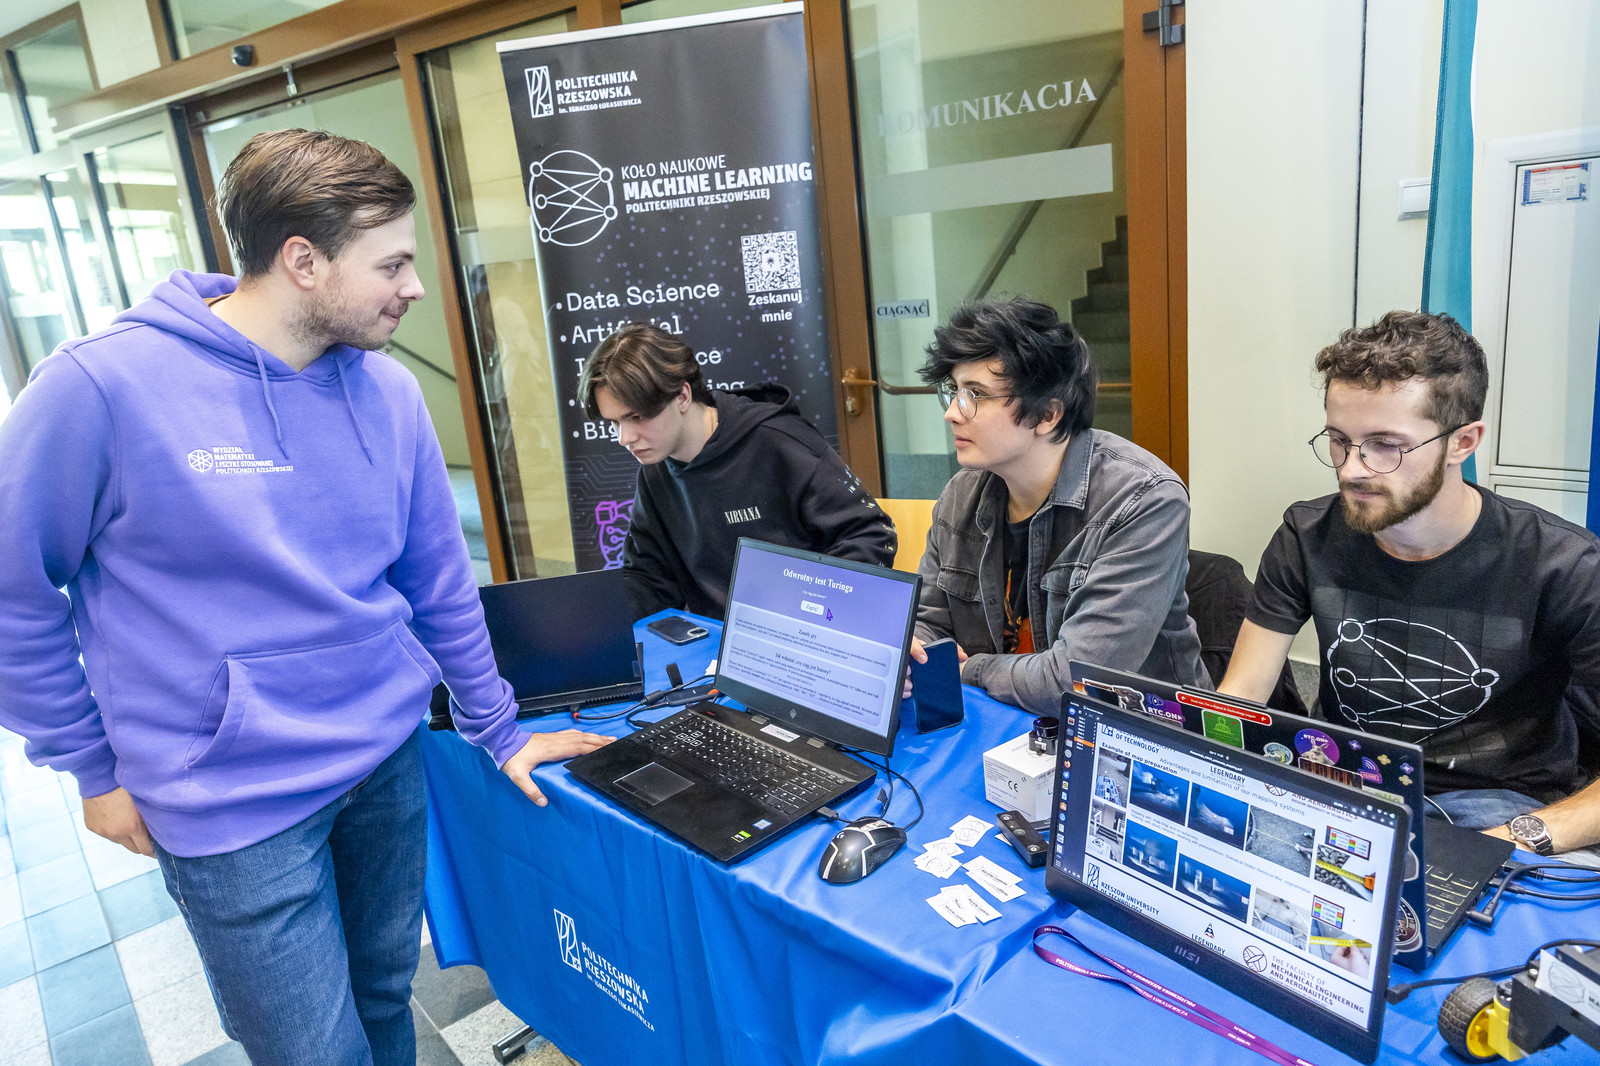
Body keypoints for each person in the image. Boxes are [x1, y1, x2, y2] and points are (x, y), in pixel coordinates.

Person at [0, 129, 610, 1066]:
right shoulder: (99, 389)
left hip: (384, 762)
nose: (414, 287)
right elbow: (12, 592)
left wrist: (499, 728)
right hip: (230, 802)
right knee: (311, 1050)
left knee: (383, 999)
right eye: (392, 265)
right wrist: (93, 768)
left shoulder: (390, 394)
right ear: (303, 261)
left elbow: (438, 585)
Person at [1219, 310, 1600, 858]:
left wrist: (1503, 846)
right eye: (1339, 440)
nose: (1351, 469)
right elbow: (1240, 697)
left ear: (1462, 442)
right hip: (1344, 782)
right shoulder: (1307, 535)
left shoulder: (1562, 564)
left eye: (1385, 445)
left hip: (1498, 804)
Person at [909, 296, 1207, 714]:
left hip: (1134, 735)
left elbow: (1077, 679)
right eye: (954, 392)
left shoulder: (1143, 499)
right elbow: (927, 625)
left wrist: (969, 669)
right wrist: (909, 652)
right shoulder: (961, 495)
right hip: (1004, 721)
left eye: (975, 394)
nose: (953, 414)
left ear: (1047, 415)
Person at [577, 322, 896, 618]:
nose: (624, 438)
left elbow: (870, 535)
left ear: (682, 396)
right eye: (614, 423)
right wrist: (593, 618)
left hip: (802, 633)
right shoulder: (655, 471)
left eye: (636, 417)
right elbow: (649, 580)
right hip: (716, 642)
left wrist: (809, 610)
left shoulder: (778, 441)